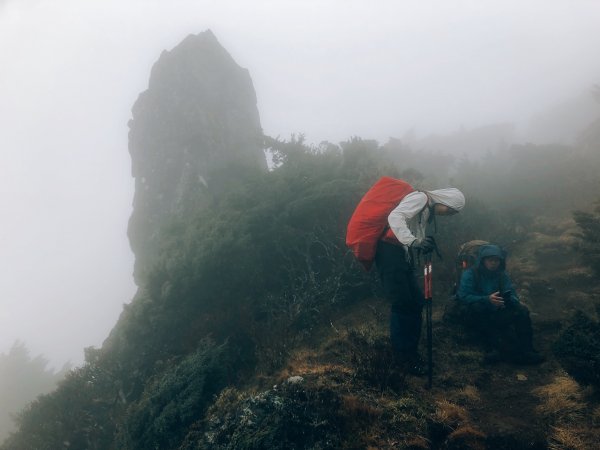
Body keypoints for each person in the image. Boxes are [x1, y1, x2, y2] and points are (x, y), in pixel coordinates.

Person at [375, 188, 465, 375]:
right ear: (445, 201)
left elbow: (414, 231)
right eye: (449, 210)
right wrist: (414, 242)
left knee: (416, 302)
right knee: (402, 303)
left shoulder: (426, 209)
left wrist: (421, 242)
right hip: (389, 253)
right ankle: (402, 359)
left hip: (399, 255)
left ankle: (411, 355)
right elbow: (395, 217)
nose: (447, 215)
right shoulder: (421, 198)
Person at [457, 244, 544, 364]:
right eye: (490, 260)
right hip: (477, 314)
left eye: (496, 260)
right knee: (478, 308)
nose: (494, 263)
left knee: (522, 311)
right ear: (483, 260)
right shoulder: (470, 274)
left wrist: (508, 301)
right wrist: (487, 299)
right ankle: (491, 349)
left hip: (498, 311)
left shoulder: (502, 275)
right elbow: (463, 296)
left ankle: (527, 350)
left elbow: (513, 294)